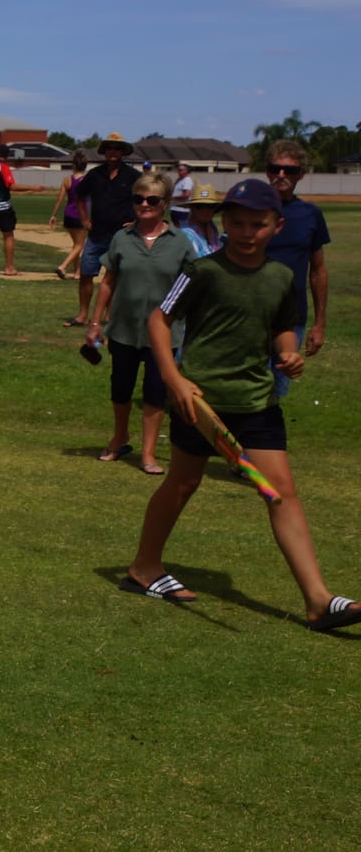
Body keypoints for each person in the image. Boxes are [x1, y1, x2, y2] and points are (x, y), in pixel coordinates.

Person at [123, 179, 361, 633]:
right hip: (202, 403)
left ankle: (318, 600)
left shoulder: (281, 277)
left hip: (256, 400)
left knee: (280, 492)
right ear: (224, 223)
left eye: (258, 224)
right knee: (183, 483)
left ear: (277, 226)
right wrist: (174, 380)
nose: (247, 232)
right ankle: (144, 567)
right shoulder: (202, 270)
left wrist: (288, 353)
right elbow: (159, 318)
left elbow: (282, 327)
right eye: (237, 223)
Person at [86, 171, 195, 475]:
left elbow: (191, 283)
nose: (144, 204)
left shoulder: (180, 241)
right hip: (123, 328)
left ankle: (148, 454)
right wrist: (95, 322)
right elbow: (108, 281)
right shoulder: (123, 238)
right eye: (138, 199)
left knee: (155, 392)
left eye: (152, 199)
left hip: (164, 334)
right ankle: (119, 438)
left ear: (165, 204)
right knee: (120, 388)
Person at [263, 138, 330, 389]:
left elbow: (318, 270)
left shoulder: (310, 214)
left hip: (292, 317)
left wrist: (319, 323)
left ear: (300, 174)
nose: (281, 175)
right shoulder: (252, 209)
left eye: (289, 170)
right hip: (252, 314)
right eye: (275, 168)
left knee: (278, 387)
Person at [74, 133, 140, 321]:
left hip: (122, 235)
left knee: (114, 277)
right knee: (86, 273)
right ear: (104, 151)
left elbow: (145, 199)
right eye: (109, 148)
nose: (113, 151)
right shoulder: (95, 174)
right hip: (96, 235)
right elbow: (79, 196)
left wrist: (137, 220)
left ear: (123, 152)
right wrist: (84, 219)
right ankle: (83, 314)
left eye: (117, 148)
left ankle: (109, 315)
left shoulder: (133, 176)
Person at [50, 151, 89, 291]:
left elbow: (60, 199)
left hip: (68, 215)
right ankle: (63, 266)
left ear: (73, 165)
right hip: (81, 216)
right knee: (79, 246)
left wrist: (53, 215)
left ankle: (77, 272)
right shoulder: (87, 180)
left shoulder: (67, 180)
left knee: (75, 245)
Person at [181, 183, 224, 258]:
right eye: (199, 206)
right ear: (192, 208)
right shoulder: (186, 235)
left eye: (210, 206)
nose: (205, 211)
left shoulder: (211, 226)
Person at [169, 161, 195, 228]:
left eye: (180, 170)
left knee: (182, 229)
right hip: (175, 208)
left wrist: (172, 198)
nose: (178, 172)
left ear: (187, 171)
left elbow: (186, 195)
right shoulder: (179, 180)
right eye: (178, 170)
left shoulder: (187, 180)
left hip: (182, 210)